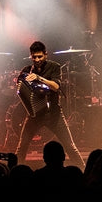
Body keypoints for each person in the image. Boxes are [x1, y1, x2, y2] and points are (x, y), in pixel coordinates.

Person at [14, 40, 85, 168]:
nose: (37, 60)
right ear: (31, 56)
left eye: (40, 56)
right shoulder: (27, 70)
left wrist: (39, 78)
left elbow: (56, 86)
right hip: (35, 115)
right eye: (34, 57)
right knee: (22, 147)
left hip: (53, 114)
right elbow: (20, 86)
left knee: (70, 146)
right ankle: (14, 174)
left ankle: (83, 171)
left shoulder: (54, 67)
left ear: (46, 55)